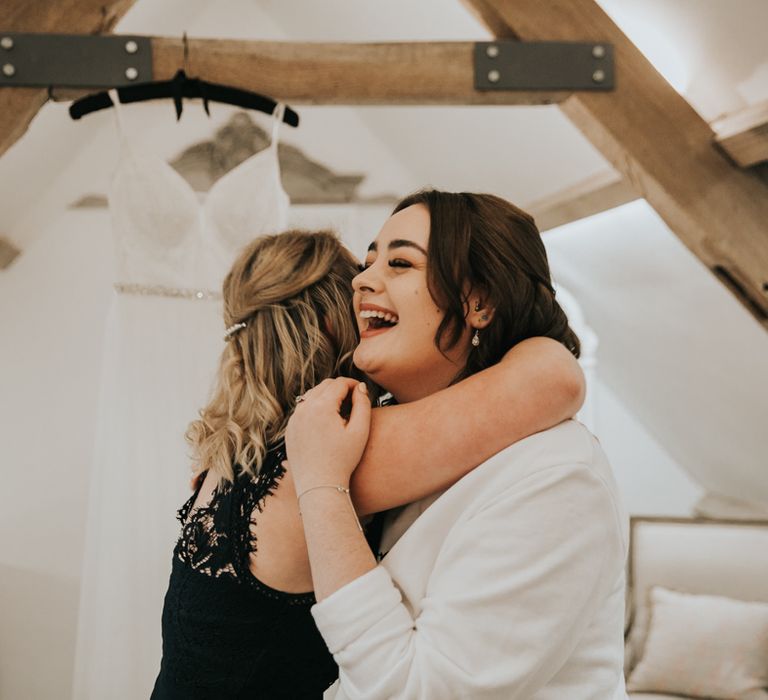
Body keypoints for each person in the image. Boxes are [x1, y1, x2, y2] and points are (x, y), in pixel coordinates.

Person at [150, 226, 585, 699]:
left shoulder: (235, 455)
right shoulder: (332, 445)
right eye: (360, 278)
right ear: (337, 322)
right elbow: (553, 380)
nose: (368, 289)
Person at [286, 190, 629, 699]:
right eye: (368, 260)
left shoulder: (556, 476)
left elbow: (420, 692)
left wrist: (321, 489)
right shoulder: (389, 444)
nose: (361, 279)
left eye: (400, 262)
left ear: (480, 303)